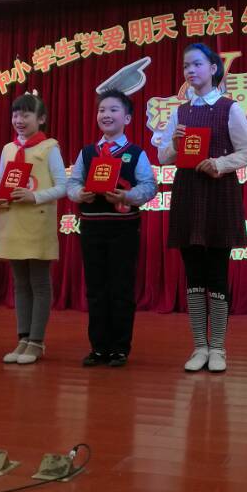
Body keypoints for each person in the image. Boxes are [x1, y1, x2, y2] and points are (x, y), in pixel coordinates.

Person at [157, 43, 247, 373]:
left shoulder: (229, 108)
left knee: (216, 272)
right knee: (194, 275)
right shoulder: (180, 112)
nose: (190, 70)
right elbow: (163, 157)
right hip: (188, 193)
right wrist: (175, 144)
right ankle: (199, 346)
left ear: (214, 69)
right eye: (186, 65)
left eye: (197, 64)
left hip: (218, 193)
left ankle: (218, 348)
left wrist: (220, 163)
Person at [67, 89, 157, 367]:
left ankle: (119, 348)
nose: (106, 115)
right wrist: (79, 194)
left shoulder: (136, 153)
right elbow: (73, 183)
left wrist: (128, 196)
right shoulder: (87, 152)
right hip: (92, 228)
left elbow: (149, 187)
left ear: (127, 118)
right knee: (96, 288)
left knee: (121, 288)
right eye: (102, 110)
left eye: (113, 110)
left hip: (124, 229)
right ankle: (98, 348)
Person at [0, 93, 67, 364]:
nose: (19, 120)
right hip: (12, 220)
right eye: (15, 115)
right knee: (20, 284)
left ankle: (36, 342)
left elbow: (63, 186)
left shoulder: (49, 148)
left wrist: (35, 196)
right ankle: (22, 338)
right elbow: (0, 182)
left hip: (37, 221)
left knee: (39, 283)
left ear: (41, 119)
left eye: (26, 115)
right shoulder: (8, 149)